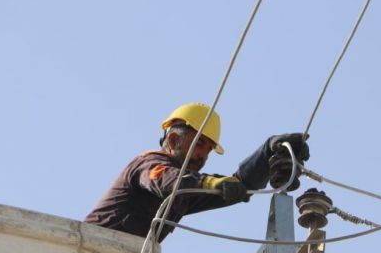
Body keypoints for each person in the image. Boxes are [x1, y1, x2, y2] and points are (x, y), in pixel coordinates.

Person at [85, 103, 309, 241]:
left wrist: (267, 152)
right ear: (174, 139)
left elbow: (239, 186)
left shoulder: (185, 193)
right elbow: (167, 180)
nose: (203, 155)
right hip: (85, 250)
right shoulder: (148, 163)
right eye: (200, 144)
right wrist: (209, 184)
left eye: (209, 149)